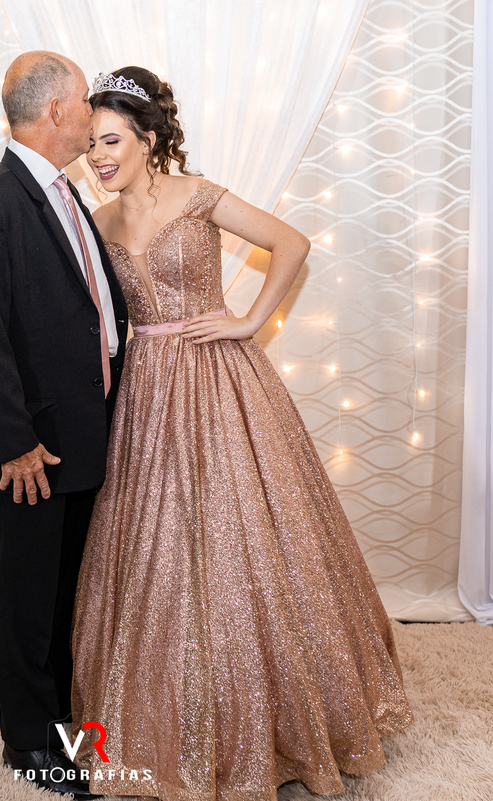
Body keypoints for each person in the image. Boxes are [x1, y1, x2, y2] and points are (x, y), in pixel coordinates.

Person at [70, 66, 414, 799]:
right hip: (145, 392)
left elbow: (291, 242)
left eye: (111, 140)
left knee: (248, 533)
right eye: (91, 143)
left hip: (219, 377)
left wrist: (251, 319)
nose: (98, 156)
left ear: (148, 139)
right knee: (156, 548)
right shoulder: (96, 224)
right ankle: (167, 719)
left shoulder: (198, 195)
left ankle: (283, 718)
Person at [0, 51, 128, 800]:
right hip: (33, 452)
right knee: (24, 601)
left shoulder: (61, 190)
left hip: (76, 439)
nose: (92, 115)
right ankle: (30, 745)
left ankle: (59, 721)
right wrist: (14, 443)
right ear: (56, 112)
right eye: (84, 102)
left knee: (60, 597)